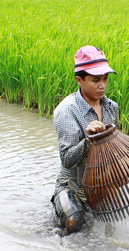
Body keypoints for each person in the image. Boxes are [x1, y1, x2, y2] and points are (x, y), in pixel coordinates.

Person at [51, 46, 119, 235]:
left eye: (106, 79)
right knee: (75, 222)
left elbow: (111, 149)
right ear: (79, 80)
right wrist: (89, 140)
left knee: (113, 226)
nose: (102, 85)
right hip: (72, 184)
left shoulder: (112, 107)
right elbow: (67, 160)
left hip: (99, 183)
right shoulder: (67, 111)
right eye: (95, 80)